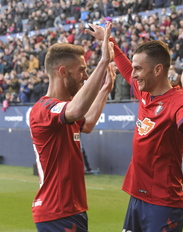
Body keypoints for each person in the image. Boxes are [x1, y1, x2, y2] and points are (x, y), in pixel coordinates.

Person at [86, 23, 183, 232]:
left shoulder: (178, 100)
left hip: (163, 201)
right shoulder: (145, 93)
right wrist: (108, 40)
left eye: (139, 69)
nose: (134, 74)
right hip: (137, 196)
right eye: (134, 68)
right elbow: (123, 67)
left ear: (158, 70)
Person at [30, 22, 115, 231]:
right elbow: (77, 111)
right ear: (63, 72)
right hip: (56, 210)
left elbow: (87, 123)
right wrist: (103, 61)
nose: (85, 76)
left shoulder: (63, 111)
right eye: (82, 70)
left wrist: (105, 88)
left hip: (71, 209)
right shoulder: (43, 109)